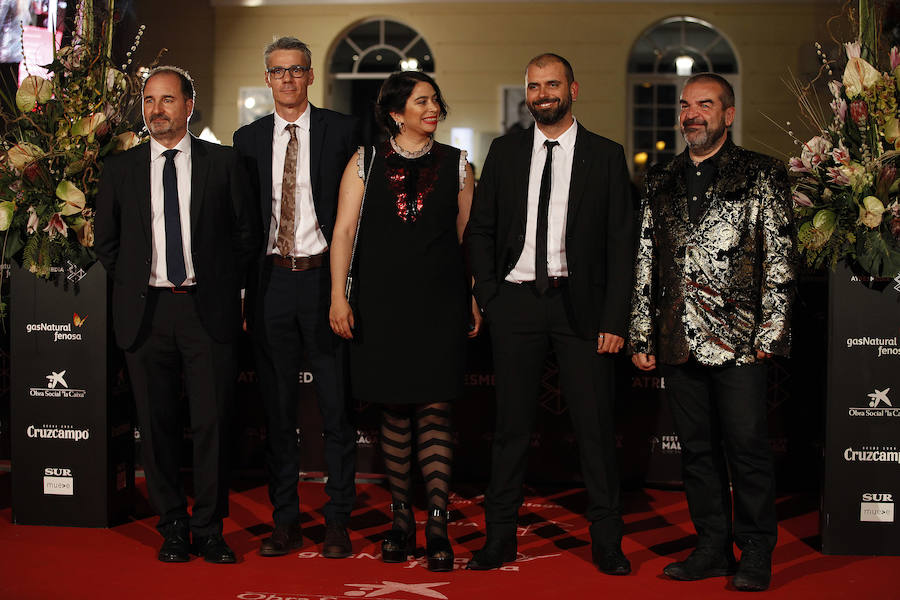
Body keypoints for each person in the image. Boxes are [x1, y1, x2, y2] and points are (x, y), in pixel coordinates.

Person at [465, 53, 634, 575]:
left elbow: (621, 243)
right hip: (515, 302)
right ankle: (500, 541)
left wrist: (614, 318)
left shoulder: (606, 155)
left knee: (595, 430)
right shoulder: (506, 150)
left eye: (552, 84)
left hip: (580, 307)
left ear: (573, 89)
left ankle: (606, 541)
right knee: (512, 429)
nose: (542, 94)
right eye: (534, 86)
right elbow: (481, 230)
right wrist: (491, 295)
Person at [629, 73, 797, 592]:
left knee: (746, 449)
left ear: (728, 114)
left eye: (705, 104)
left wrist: (772, 332)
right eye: (685, 106)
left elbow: (781, 258)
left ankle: (756, 552)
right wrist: (640, 333)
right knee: (696, 452)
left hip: (741, 338)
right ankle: (711, 548)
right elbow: (645, 258)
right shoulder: (660, 178)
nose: (692, 114)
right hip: (677, 337)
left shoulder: (762, 173)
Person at [95, 66, 258, 563]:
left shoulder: (225, 163)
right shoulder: (121, 169)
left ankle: (209, 529)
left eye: (167, 99)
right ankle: (171, 526)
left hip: (206, 310)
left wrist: (224, 289)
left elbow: (246, 236)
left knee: (212, 425)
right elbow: (107, 244)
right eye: (149, 100)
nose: (156, 109)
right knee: (157, 425)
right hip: (146, 313)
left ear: (189, 105)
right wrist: (133, 285)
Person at [329, 71, 480, 572]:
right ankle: (400, 522)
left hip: (440, 306)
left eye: (435, 100)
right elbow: (345, 231)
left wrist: (474, 299)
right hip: (380, 305)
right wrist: (338, 297)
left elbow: (467, 241)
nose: (433, 108)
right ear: (397, 113)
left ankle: (437, 527)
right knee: (394, 412)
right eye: (421, 101)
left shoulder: (459, 165)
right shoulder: (365, 161)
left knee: (436, 413)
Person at [232, 36, 358, 559]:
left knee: (335, 410)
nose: (287, 78)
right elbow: (240, 223)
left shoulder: (343, 131)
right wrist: (241, 293)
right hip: (270, 284)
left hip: (323, 280)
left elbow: (355, 219)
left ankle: (337, 523)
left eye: (296, 69)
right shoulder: (246, 139)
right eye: (278, 71)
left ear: (310, 76)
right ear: (268, 79)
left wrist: (343, 289)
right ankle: (285, 522)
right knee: (279, 413)